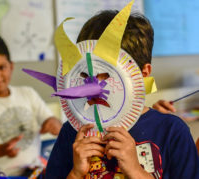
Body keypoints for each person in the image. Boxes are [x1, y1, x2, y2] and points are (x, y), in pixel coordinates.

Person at [45, 10, 199, 179]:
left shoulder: (172, 131)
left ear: (142, 74)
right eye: (85, 75)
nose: (92, 87)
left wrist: (135, 170)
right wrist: (75, 174)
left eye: (107, 75)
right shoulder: (72, 132)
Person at [0, 34, 62, 176]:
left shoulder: (28, 94)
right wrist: (2, 150)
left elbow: (53, 122)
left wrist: (52, 122)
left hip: (34, 173)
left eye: (1, 67)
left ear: (11, 66)